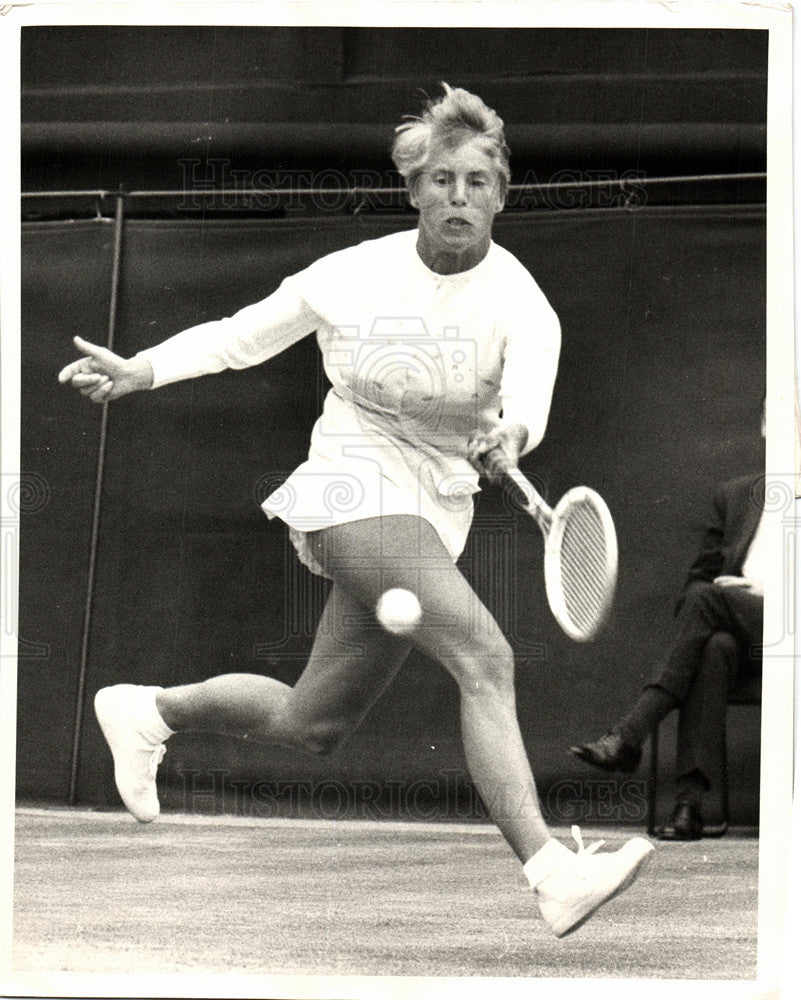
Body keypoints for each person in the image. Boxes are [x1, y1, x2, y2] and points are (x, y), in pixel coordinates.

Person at [58, 83, 653, 936]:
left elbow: (526, 398)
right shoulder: (349, 274)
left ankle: (150, 710)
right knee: (484, 653)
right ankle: (549, 869)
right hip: (349, 477)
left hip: (433, 502)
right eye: (441, 179)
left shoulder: (523, 303)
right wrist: (140, 368)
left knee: (313, 724)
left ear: (500, 193)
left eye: (477, 181)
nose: (459, 197)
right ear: (412, 188)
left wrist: (511, 434)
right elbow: (239, 336)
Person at [571, 405, 765, 840]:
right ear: (766, 427)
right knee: (713, 645)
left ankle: (629, 734)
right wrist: (722, 596)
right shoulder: (736, 496)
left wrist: (765, 593)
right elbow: (698, 580)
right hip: (741, 637)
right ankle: (689, 807)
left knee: (708, 599)